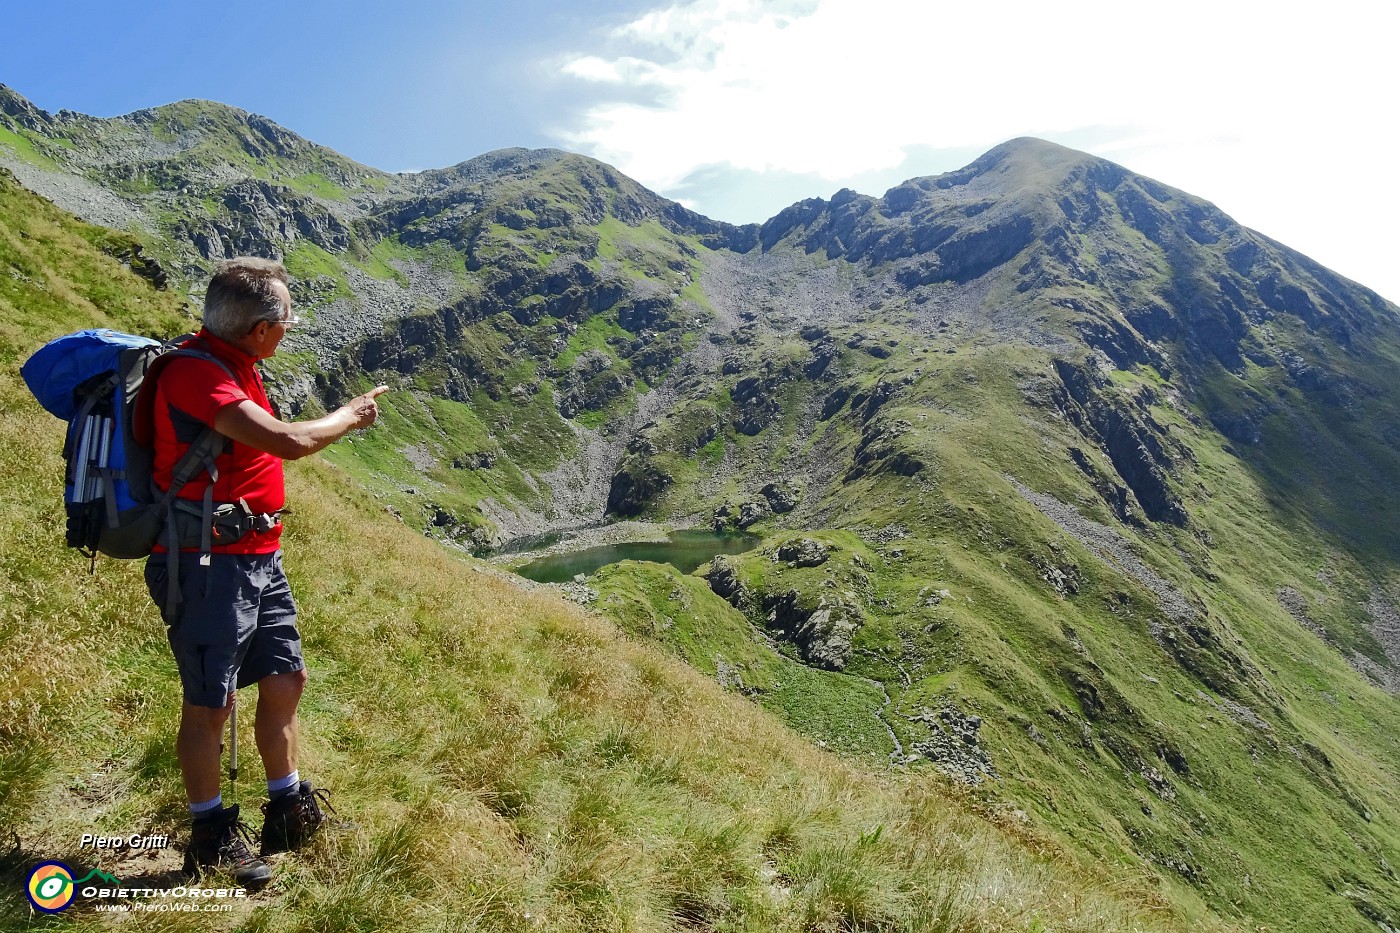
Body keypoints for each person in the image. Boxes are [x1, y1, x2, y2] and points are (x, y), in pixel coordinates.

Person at [144, 257, 388, 887]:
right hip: (208, 565)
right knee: (211, 701)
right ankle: (211, 835)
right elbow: (289, 441)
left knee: (285, 678)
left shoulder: (238, 365)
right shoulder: (197, 375)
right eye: (284, 321)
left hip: (257, 554)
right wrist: (350, 415)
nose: (287, 332)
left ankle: (287, 807)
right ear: (259, 327)